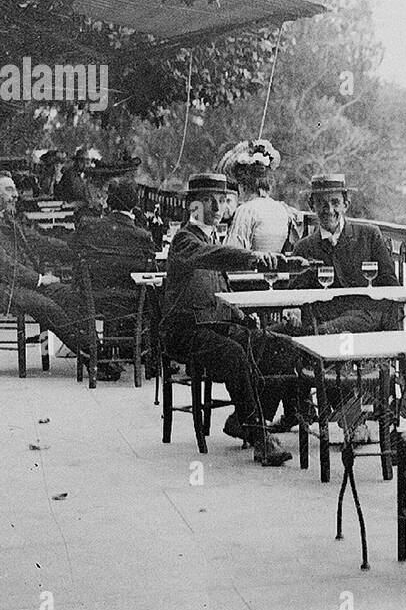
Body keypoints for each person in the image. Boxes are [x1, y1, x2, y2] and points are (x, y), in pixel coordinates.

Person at [160, 172, 295, 466]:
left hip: (216, 325)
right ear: (193, 207)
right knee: (233, 354)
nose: (219, 207)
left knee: (282, 346)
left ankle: (243, 420)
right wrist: (251, 256)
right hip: (185, 331)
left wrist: (242, 317)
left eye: (222, 200)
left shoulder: (211, 238)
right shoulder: (185, 240)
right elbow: (213, 256)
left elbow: (220, 291)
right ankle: (261, 437)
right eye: (210, 200)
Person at [0, 172, 121, 380]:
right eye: (9, 190)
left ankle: (96, 356)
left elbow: (39, 241)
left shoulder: (9, 219)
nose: (16, 195)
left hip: (23, 283)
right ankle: (94, 359)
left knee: (75, 295)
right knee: (48, 307)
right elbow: (2, 266)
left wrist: (82, 250)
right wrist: (38, 279)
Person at [291, 173, 401, 334]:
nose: (329, 210)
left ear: (346, 204)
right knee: (268, 338)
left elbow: (391, 284)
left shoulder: (369, 235)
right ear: (311, 205)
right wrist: (294, 311)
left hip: (366, 315)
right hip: (323, 317)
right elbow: (295, 295)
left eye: (335, 203)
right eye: (322, 203)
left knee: (323, 333)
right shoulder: (304, 247)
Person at [71, 178, 156, 320]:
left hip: (92, 301)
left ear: (109, 200)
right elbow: (151, 270)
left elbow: (71, 246)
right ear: (135, 203)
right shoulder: (143, 236)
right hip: (131, 304)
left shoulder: (89, 226)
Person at [226, 170, 301, 253]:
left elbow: (233, 250)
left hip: (253, 264)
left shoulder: (246, 209)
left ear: (243, 186)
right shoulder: (281, 208)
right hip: (276, 263)